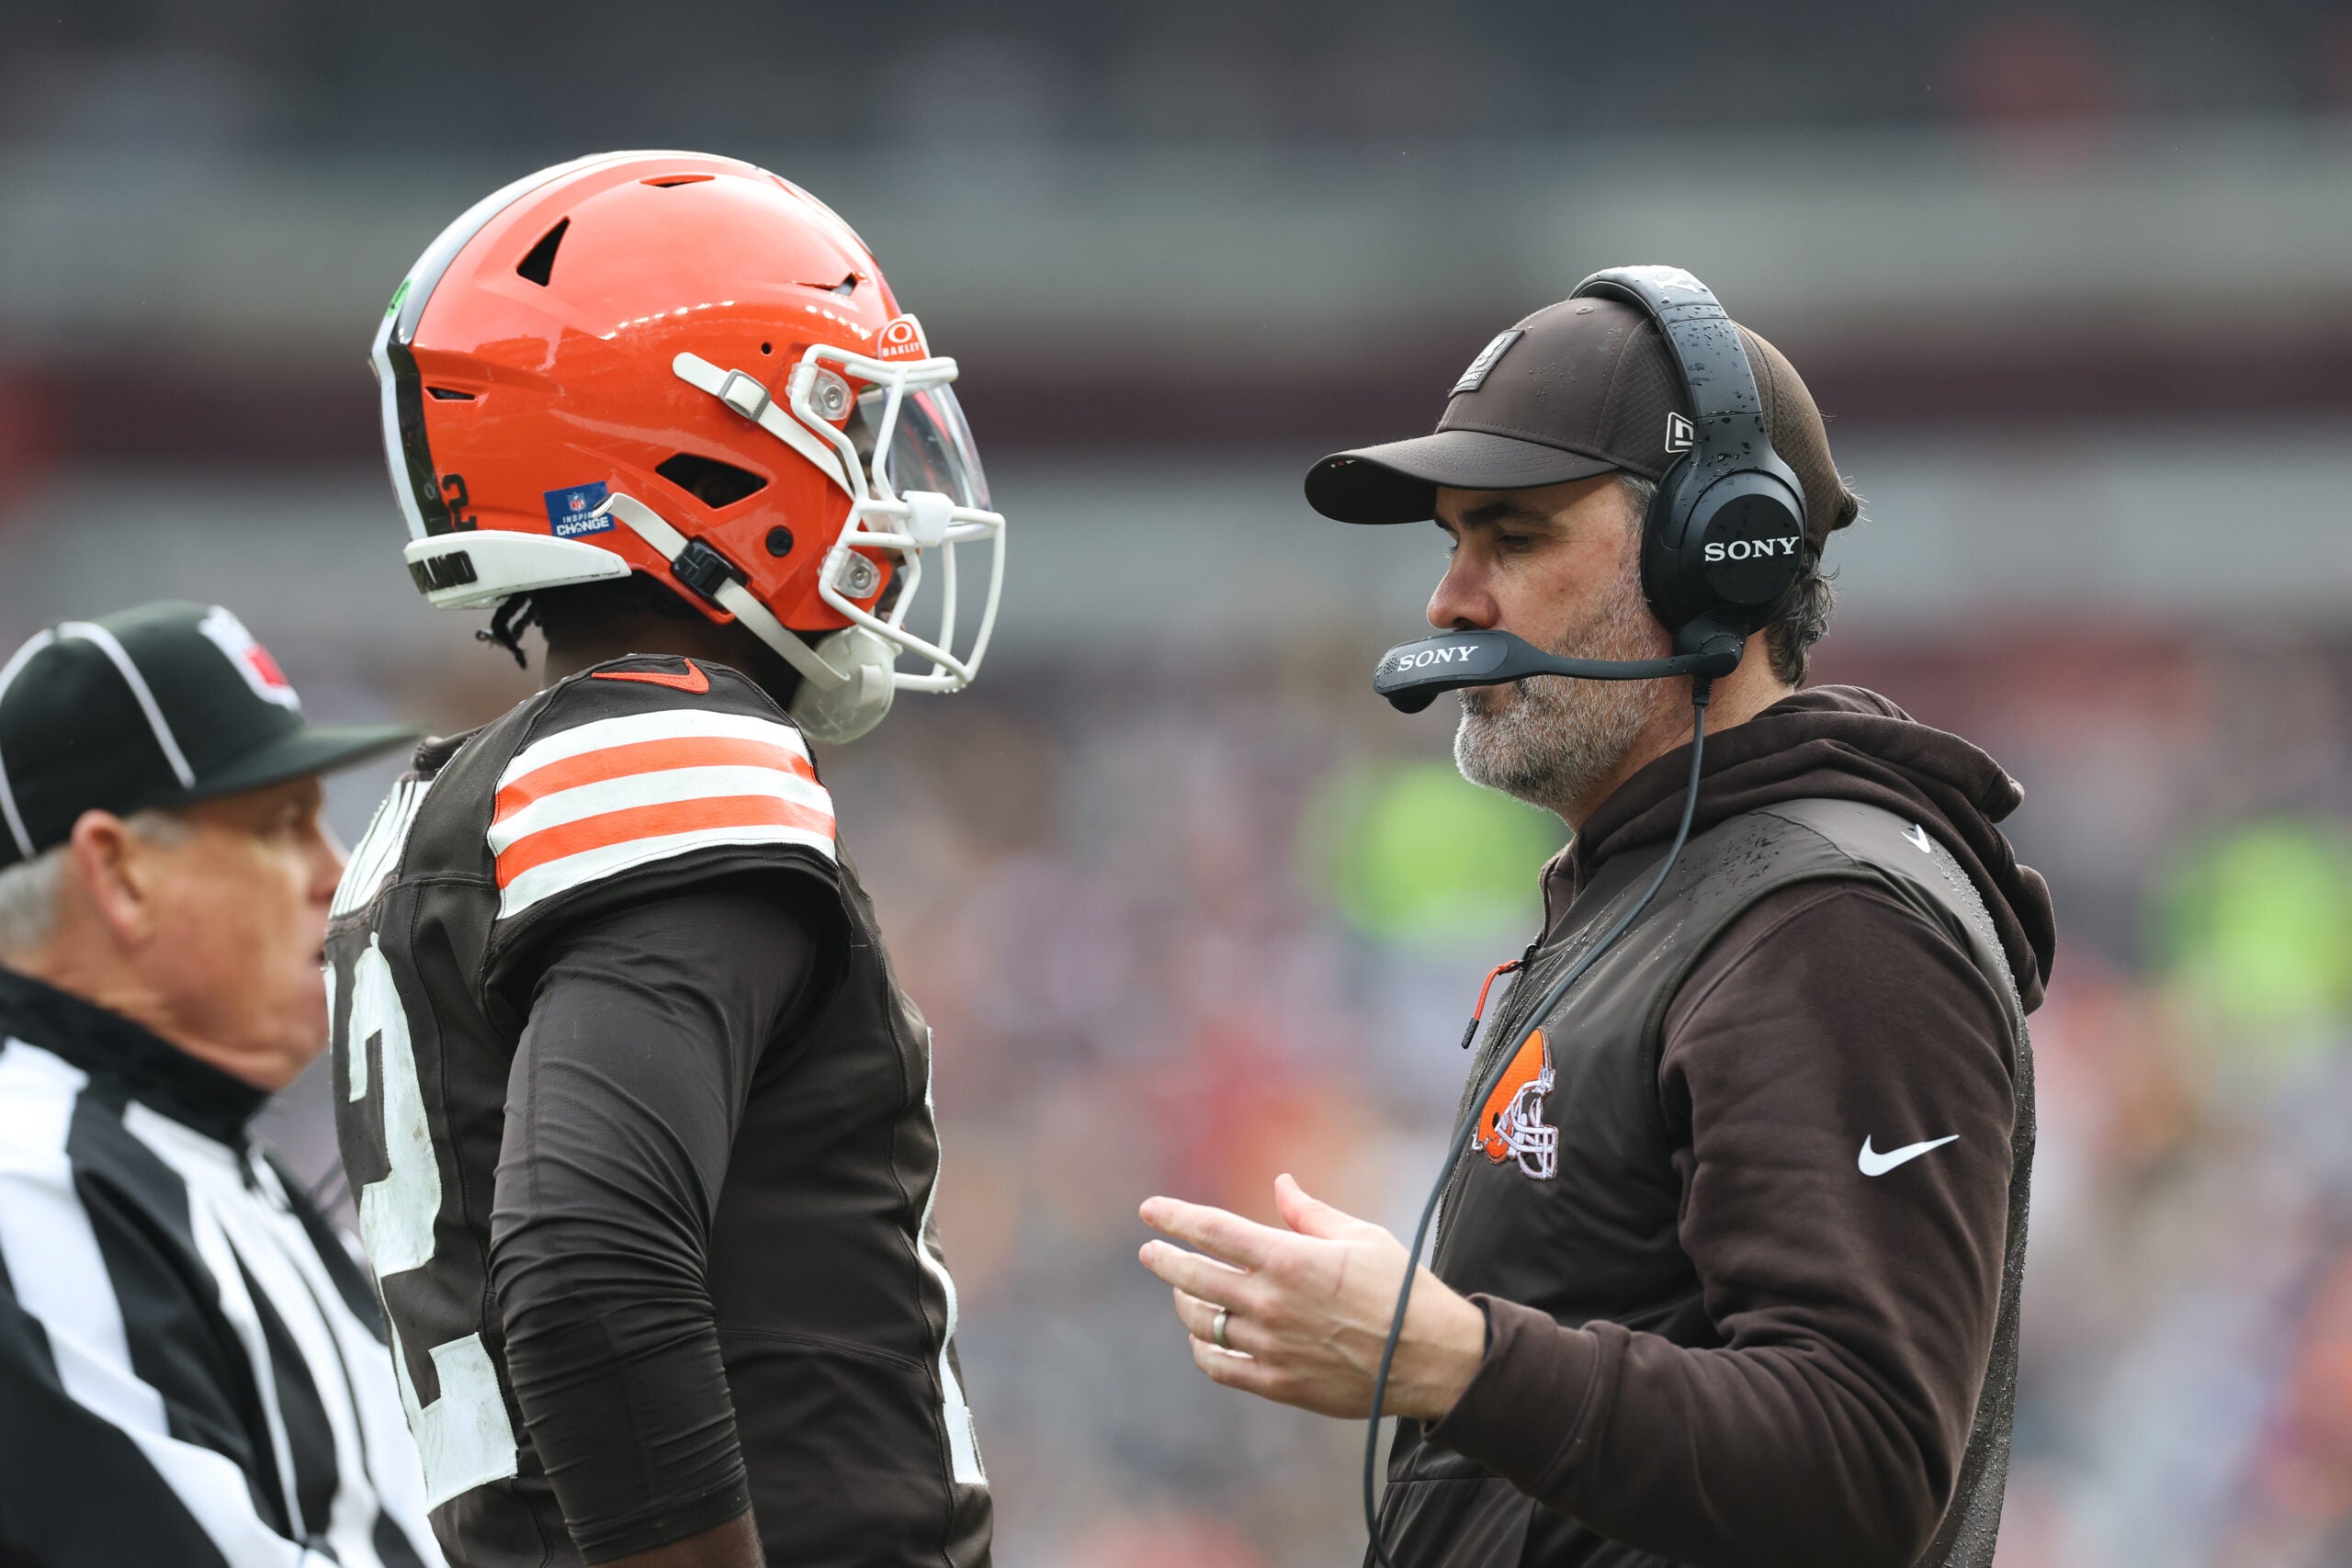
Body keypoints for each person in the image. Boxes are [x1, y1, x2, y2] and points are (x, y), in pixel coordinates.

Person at [1139, 276, 2052, 1567]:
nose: (1449, 602)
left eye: (1511, 537)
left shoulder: (1831, 927)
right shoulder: (1661, 887)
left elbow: (1862, 1459)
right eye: (1450, 541)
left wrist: (1451, 1353)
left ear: (1714, 552)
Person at [331, 152, 1003, 1568]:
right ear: (701, 450)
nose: (886, 491)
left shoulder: (456, 798)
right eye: (846, 426)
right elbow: (586, 1261)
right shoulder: (661, 752)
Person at [0, 599, 440, 1566]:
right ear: (118, 875)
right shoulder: (36, 1179)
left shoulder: (190, 1158)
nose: (334, 872)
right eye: (281, 825)